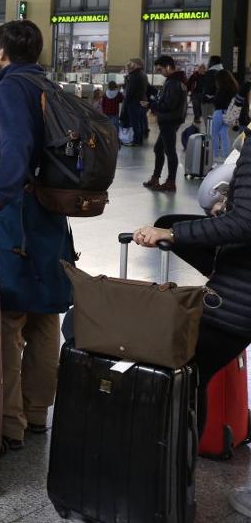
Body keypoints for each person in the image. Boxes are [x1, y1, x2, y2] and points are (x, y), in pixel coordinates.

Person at [0, 20, 77, 452]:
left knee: (8, 316)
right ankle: (39, 412)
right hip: (50, 213)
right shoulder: (47, 83)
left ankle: (11, 421)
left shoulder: (11, 86)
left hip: (19, 212)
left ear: (2, 50)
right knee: (46, 314)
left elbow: (18, 144)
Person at [131, 153, 251, 518]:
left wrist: (173, 233)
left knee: (186, 371)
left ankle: (171, 483)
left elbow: (245, 222)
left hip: (240, 295)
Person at [143, 55, 188, 193]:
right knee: (158, 149)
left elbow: (168, 105)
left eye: (160, 69)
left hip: (169, 120)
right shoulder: (175, 81)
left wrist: (151, 104)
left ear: (168, 67)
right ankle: (156, 178)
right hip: (170, 120)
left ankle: (170, 182)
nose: (160, 72)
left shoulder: (174, 82)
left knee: (169, 151)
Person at [212, 67, 238, 161]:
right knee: (224, 134)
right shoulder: (233, 88)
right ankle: (225, 154)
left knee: (213, 134)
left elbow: (217, 101)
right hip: (228, 114)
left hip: (219, 113)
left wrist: (212, 98)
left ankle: (214, 154)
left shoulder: (222, 89)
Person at [121, 58, 148, 147]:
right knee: (139, 122)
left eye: (131, 63)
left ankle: (136, 141)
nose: (130, 64)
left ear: (137, 64)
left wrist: (125, 104)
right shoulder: (142, 74)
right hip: (141, 101)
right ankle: (139, 140)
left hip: (134, 103)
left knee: (135, 123)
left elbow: (130, 91)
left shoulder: (135, 75)